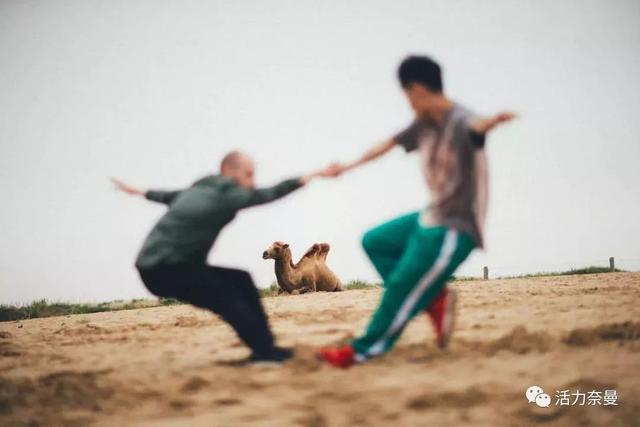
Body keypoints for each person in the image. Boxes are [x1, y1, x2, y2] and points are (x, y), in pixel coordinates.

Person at [318, 55, 516, 368]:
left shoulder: (462, 120)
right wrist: (347, 166)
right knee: (375, 241)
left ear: (419, 90)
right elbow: (388, 143)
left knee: (400, 287)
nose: (409, 104)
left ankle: (362, 350)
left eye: (408, 96)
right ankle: (434, 298)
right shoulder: (424, 123)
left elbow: (476, 129)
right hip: (432, 215)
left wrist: (491, 122)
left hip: (455, 226)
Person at [113, 151, 338, 363]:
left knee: (241, 280)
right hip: (167, 269)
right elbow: (268, 194)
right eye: (248, 175)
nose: (251, 182)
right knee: (228, 301)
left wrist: (137, 191)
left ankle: (266, 348)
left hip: (155, 267)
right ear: (230, 171)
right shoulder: (225, 194)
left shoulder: (198, 189)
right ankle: (265, 353)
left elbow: (166, 196)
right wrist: (315, 174)